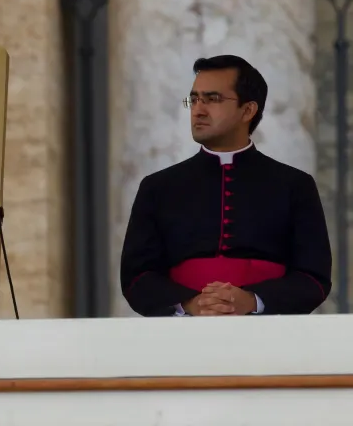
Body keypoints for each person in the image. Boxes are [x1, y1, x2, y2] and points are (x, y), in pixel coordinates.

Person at [120, 55, 332, 316]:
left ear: (248, 110)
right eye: (194, 99)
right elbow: (136, 277)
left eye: (212, 99)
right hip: (179, 335)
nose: (198, 109)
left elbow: (313, 278)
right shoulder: (157, 187)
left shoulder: (295, 185)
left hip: (272, 333)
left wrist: (252, 301)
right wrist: (190, 304)